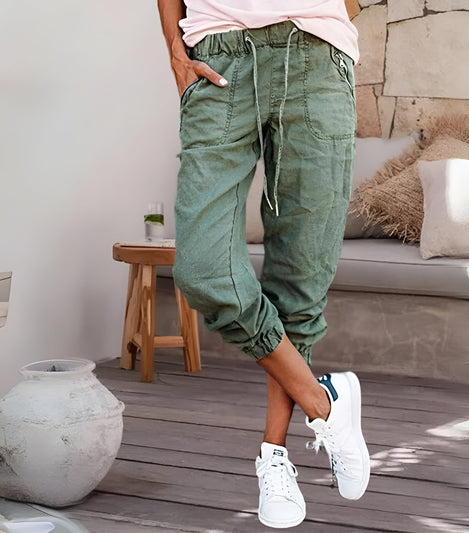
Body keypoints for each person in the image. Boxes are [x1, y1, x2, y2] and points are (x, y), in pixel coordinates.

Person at [157, 1, 370, 528]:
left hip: (317, 56)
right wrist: (176, 54)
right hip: (219, 58)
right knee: (201, 271)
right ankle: (324, 404)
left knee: (300, 280)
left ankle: (274, 455)